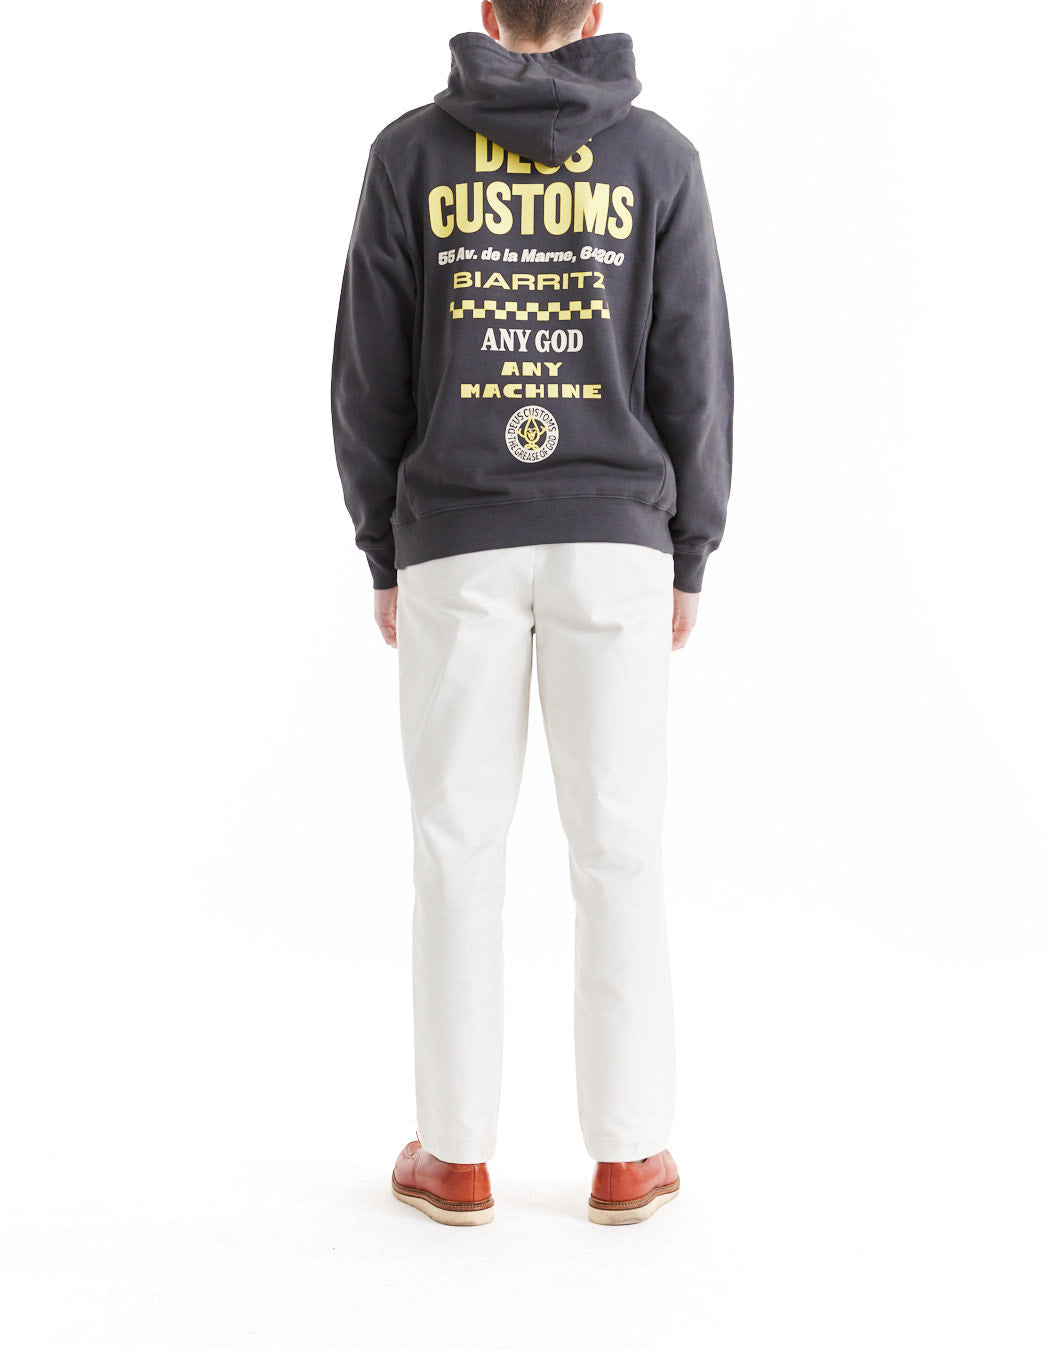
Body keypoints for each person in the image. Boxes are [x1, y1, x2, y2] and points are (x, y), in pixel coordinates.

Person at [330, 0, 733, 1227]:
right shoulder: (657, 158)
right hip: (615, 539)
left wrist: (384, 546)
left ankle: (456, 1158)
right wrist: (688, 550)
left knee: (458, 845)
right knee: (620, 845)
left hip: (458, 534)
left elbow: (369, 370)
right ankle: (629, 1155)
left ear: (487, 11)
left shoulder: (411, 154)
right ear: (596, 11)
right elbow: (692, 364)